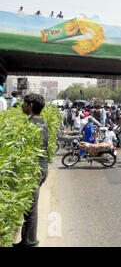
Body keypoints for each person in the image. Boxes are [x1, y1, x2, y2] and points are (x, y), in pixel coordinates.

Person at [13, 94, 48, 247]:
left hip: (34, 170)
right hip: (40, 169)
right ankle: (27, 240)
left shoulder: (30, 124)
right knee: (30, 207)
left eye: (24, 103)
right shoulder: (42, 123)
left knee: (30, 209)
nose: (22, 105)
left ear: (31, 105)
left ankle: (30, 241)